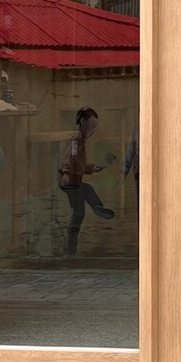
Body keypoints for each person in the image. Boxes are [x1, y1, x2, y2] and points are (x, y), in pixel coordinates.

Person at [58, 106, 115, 257]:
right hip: (70, 181)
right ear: (83, 121)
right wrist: (66, 172)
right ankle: (70, 251)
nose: (94, 130)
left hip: (74, 180)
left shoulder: (80, 139)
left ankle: (98, 208)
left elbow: (78, 162)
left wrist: (91, 168)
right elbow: (71, 157)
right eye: (92, 125)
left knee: (87, 189)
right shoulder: (77, 138)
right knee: (78, 214)